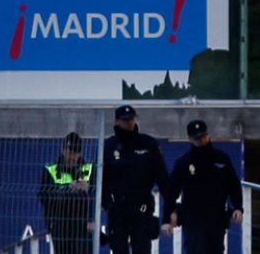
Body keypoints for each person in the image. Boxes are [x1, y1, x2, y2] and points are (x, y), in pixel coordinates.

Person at [160, 120, 243, 254]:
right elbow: (172, 192)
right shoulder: (184, 162)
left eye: (203, 136)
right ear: (190, 139)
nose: (201, 140)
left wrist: (238, 207)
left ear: (208, 135)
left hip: (216, 218)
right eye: (197, 138)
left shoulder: (221, 159)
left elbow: (233, 185)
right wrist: (166, 220)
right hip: (193, 219)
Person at [103, 105, 169, 254]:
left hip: (141, 208)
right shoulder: (108, 146)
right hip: (117, 208)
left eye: (131, 119)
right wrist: (105, 203)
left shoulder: (148, 144)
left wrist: (170, 207)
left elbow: (163, 177)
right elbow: (101, 177)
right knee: (118, 248)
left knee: (142, 248)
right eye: (125, 120)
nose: (129, 122)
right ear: (117, 121)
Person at [39, 132, 95, 254]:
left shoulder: (89, 169)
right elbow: (44, 197)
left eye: (76, 153)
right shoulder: (51, 170)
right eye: (70, 152)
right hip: (60, 226)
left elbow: (98, 195)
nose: (72, 157)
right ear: (63, 150)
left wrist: (88, 188)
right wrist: (68, 189)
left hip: (83, 227)